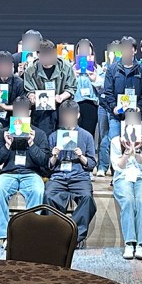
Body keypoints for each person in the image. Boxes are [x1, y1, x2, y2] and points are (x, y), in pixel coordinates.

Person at [0, 96, 50, 246]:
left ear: (29, 113)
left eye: (23, 111)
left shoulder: (39, 134)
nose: (20, 114)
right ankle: (3, 235)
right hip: (8, 173)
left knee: (37, 191)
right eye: (17, 111)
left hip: (31, 173)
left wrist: (31, 144)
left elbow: (44, 161)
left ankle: (28, 233)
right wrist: (7, 145)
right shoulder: (4, 133)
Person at [44, 100, 97, 249]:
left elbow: (91, 164)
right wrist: (54, 156)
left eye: (70, 115)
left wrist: (81, 156)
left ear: (77, 115)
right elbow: (48, 166)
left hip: (79, 176)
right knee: (48, 195)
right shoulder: (54, 136)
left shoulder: (86, 136)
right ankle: (56, 234)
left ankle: (74, 236)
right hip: (59, 176)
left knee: (87, 198)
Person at [110, 108, 142, 260]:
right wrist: (127, 153)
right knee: (128, 200)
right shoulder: (116, 141)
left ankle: (141, 244)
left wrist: (138, 152)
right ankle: (129, 243)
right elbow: (118, 167)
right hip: (123, 177)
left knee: (141, 201)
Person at [24, 39, 77, 137]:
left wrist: (61, 97)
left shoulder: (66, 67)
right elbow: (29, 90)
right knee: (43, 135)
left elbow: (71, 88)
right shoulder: (30, 70)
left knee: (63, 135)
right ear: (38, 55)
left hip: (61, 105)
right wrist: (32, 96)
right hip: (41, 108)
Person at [103, 36, 142, 140]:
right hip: (117, 114)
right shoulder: (112, 69)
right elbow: (108, 91)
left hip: (135, 114)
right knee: (114, 142)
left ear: (135, 50)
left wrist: (139, 107)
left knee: (134, 142)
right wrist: (114, 107)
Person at [72, 38, 101, 137]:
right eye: (81, 48)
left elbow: (103, 89)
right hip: (75, 104)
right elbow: (66, 86)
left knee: (88, 134)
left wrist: (95, 79)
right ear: (77, 51)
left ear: (91, 51)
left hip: (91, 104)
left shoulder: (97, 68)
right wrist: (73, 77)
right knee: (74, 133)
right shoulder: (71, 68)